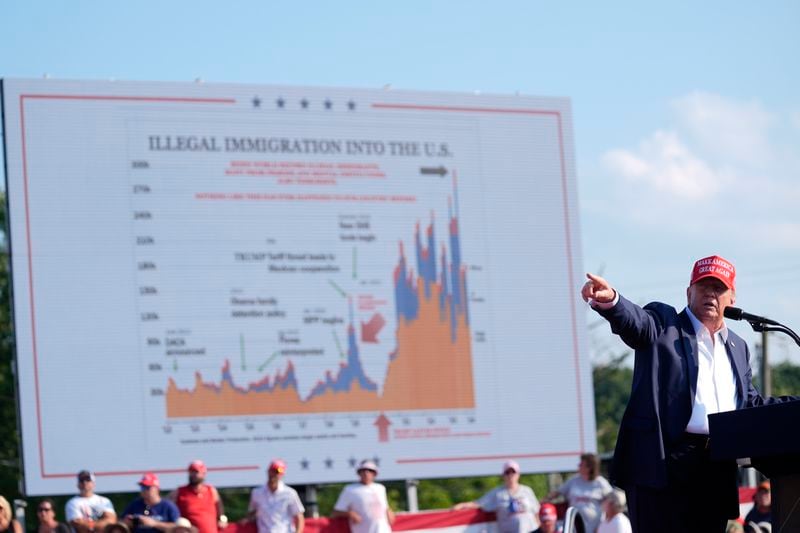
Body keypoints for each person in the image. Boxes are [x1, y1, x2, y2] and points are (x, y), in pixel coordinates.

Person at [582, 255, 798, 532]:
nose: (710, 294)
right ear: (689, 292)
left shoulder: (738, 347)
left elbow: (750, 403)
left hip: (715, 467)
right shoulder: (664, 324)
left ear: (731, 298)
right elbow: (636, 322)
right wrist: (611, 300)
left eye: (718, 288)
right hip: (663, 465)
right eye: (703, 286)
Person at [452, 460, 540, 533]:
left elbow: (536, 512)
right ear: (503, 475)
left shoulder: (527, 491)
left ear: (518, 474)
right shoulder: (498, 493)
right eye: (507, 472)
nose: (510, 475)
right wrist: (462, 505)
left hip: (530, 530)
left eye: (513, 472)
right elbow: (480, 503)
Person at [547, 453, 611, 532]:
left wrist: (604, 523)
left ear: (589, 468)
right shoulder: (574, 480)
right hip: (575, 525)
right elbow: (557, 492)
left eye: (581, 464)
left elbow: (612, 501)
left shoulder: (601, 483)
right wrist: (545, 500)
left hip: (595, 527)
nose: (578, 466)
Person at [332, 459, 394, 533]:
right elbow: (335, 512)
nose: (366, 473)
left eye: (370, 470)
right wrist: (350, 514)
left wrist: (389, 511)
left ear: (374, 474)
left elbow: (385, 507)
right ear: (359, 473)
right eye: (363, 470)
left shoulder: (380, 488)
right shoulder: (349, 489)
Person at [246, 459, 304, 533]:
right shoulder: (257, 493)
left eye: (277, 472)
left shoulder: (290, 493)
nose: (274, 474)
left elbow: (299, 516)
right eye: (272, 470)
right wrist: (248, 519)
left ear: (282, 475)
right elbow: (251, 513)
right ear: (268, 471)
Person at [170, 460, 226, 533]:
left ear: (203, 473)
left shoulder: (211, 490)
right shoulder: (180, 491)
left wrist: (222, 519)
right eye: (191, 472)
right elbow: (167, 506)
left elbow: (219, 506)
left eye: (196, 472)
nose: (193, 474)